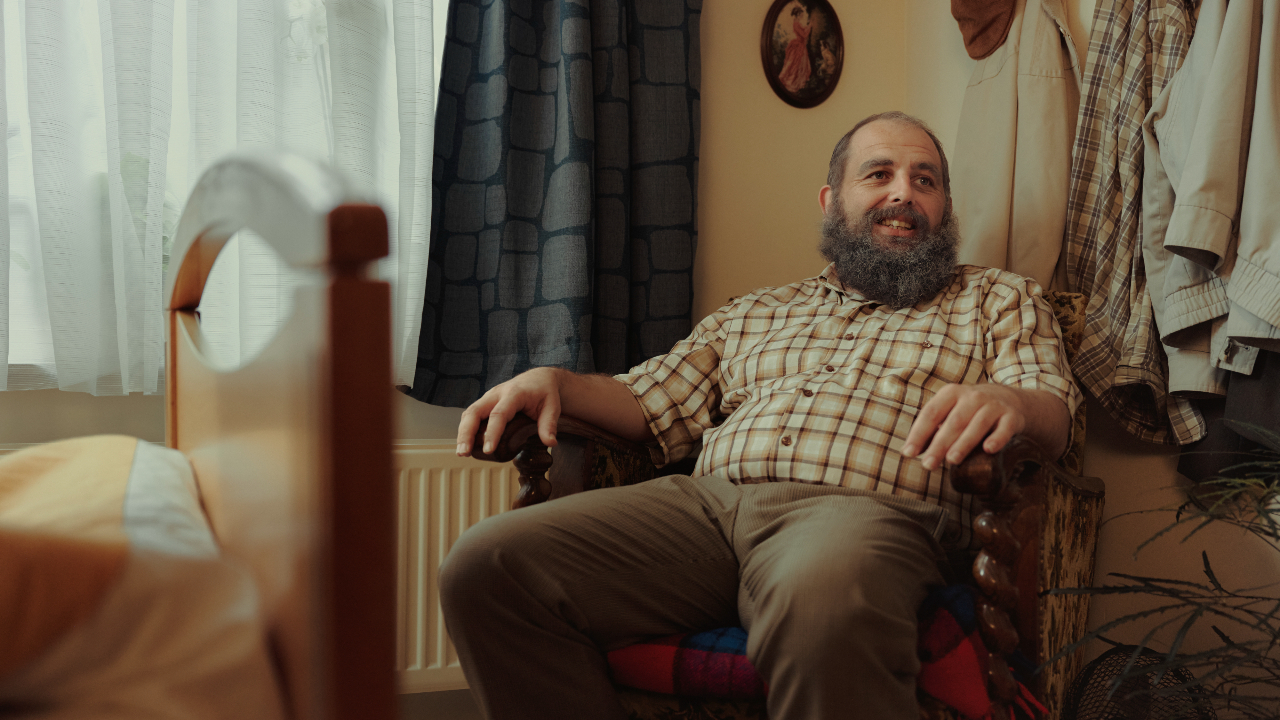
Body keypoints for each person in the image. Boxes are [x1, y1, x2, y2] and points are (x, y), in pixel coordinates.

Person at [440, 111, 1080, 720]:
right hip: (704, 512)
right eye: (878, 174)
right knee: (488, 566)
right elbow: (648, 398)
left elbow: (1051, 411)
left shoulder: (997, 297)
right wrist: (554, 381)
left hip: (861, 516)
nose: (903, 193)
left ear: (945, 208)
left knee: (824, 603)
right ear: (831, 201)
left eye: (926, 180)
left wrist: (1011, 402)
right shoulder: (756, 310)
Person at [777, 4, 812, 94]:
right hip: (798, 46)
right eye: (801, 14)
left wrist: (807, 26)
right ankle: (791, 83)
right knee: (794, 65)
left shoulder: (798, 23)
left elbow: (803, 30)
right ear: (797, 15)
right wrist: (809, 26)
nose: (802, 15)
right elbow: (804, 35)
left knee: (800, 65)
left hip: (801, 46)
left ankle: (800, 84)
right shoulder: (796, 24)